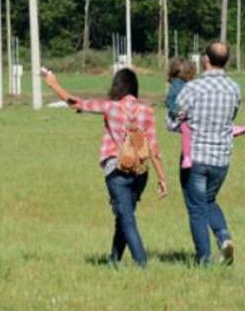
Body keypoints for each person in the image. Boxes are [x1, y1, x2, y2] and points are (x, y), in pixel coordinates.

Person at [44, 68, 167, 267]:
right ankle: (114, 260)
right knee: (123, 216)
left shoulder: (110, 107)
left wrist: (53, 84)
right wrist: (162, 178)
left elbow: (75, 103)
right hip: (140, 173)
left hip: (116, 170)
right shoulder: (148, 111)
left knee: (126, 218)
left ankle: (141, 263)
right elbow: (153, 148)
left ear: (117, 86)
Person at [167, 42, 241, 265]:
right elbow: (232, 117)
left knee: (196, 208)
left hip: (196, 157)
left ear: (206, 60)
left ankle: (203, 259)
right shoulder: (235, 88)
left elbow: (173, 121)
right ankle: (223, 237)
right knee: (209, 200)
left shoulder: (193, 88)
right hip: (221, 158)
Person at [166, 57, 245, 170]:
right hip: (182, 116)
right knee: (187, 131)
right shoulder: (178, 84)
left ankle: (230, 129)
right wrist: (178, 112)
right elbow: (170, 100)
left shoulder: (182, 83)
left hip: (186, 114)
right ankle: (187, 156)